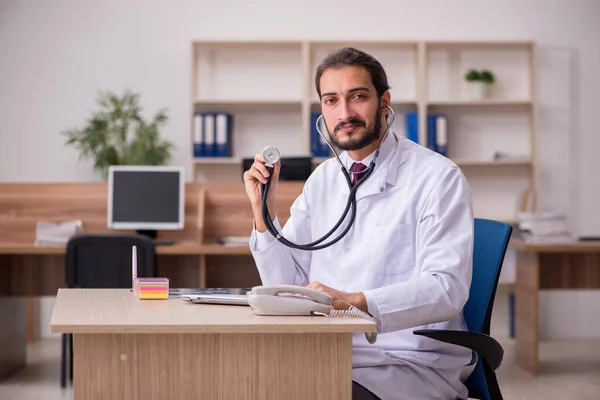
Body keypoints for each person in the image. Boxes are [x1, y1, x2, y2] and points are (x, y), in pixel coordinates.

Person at [243, 47, 476, 400]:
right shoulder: (323, 180)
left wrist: (354, 301)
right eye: (331, 100)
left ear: (385, 101)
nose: (345, 113)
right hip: (331, 350)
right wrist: (263, 210)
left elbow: (447, 289)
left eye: (358, 97)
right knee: (240, 380)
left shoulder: (437, 177)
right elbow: (287, 286)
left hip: (408, 361)